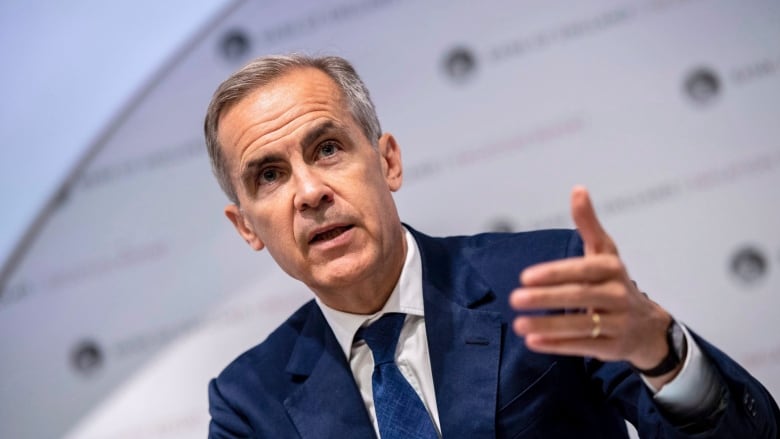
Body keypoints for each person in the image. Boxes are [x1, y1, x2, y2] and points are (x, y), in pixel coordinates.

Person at [203, 54, 778, 438]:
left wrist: (664, 354)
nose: (309, 191)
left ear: (387, 161)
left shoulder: (544, 279)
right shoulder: (249, 402)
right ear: (246, 226)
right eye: (269, 176)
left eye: (327, 148)